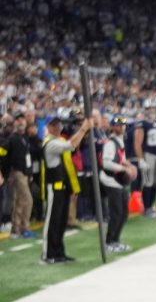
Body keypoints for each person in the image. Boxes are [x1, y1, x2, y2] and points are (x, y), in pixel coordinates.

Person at [41, 114, 92, 264]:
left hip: (63, 188)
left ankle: (58, 252)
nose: (57, 127)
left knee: (61, 222)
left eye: (58, 124)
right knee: (52, 221)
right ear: (48, 127)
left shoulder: (58, 141)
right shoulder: (50, 143)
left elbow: (69, 164)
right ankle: (47, 254)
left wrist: (72, 188)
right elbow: (71, 145)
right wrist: (83, 129)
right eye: (54, 125)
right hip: (54, 188)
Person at [99, 115, 134, 253]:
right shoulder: (110, 143)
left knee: (124, 213)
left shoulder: (119, 141)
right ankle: (109, 242)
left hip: (118, 180)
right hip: (111, 180)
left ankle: (116, 240)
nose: (122, 127)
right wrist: (124, 169)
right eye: (119, 125)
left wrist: (128, 164)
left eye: (123, 125)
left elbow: (121, 158)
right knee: (117, 212)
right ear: (113, 127)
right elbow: (106, 163)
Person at [7, 113, 35, 238]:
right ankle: (24, 227)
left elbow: (27, 156)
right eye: (18, 119)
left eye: (23, 119)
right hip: (17, 171)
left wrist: (29, 172)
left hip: (24, 172)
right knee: (27, 200)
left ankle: (16, 228)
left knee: (19, 201)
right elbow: (8, 157)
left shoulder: (24, 137)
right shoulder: (12, 138)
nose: (21, 122)